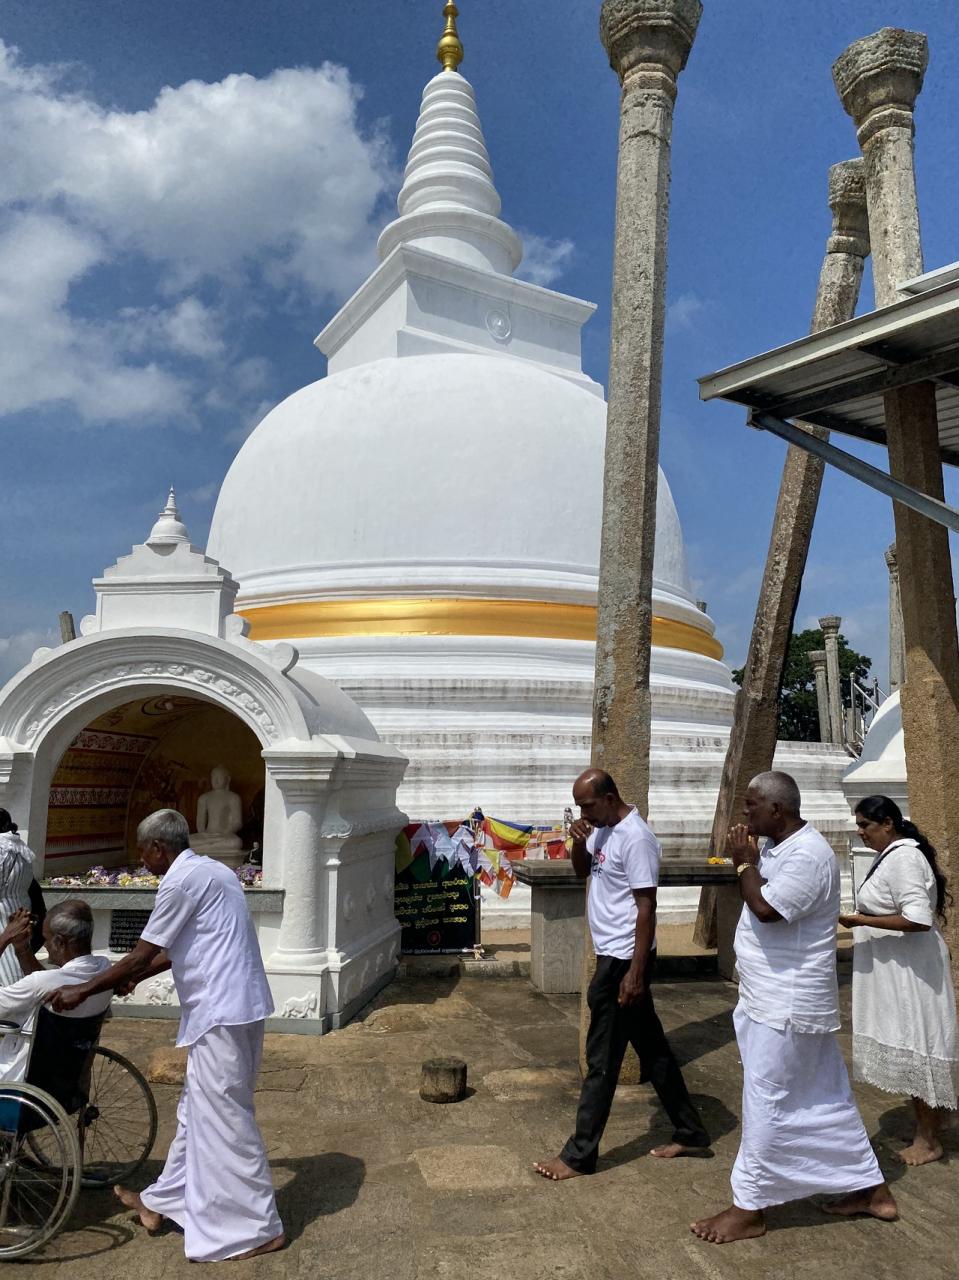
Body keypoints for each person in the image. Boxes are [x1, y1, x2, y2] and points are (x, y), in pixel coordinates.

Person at [48, 809, 283, 1263]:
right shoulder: (214, 871)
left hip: (222, 1010)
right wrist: (132, 978)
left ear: (159, 847)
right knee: (198, 1110)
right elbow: (179, 949)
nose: (142, 861)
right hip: (236, 1006)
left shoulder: (180, 881)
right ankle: (162, 1201)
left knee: (225, 1116)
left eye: (144, 852)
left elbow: (142, 953)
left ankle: (257, 1228)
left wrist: (84, 989)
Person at [692, 771, 897, 1245]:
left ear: (777, 809)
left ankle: (749, 1207)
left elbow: (767, 910)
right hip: (770, 998)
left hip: (787, 1005)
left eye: (751, 805)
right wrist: (752, 861)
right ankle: (871, 1189)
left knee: (767, 1101)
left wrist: (744, 864)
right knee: (823, 1097)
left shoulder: (809, 855)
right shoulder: (778, 848)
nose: (745, 813)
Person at [533, 769, 710, 1181]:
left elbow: (647, 906)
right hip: (611, 955)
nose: (583, 813)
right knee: (653, 1049)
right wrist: (578, 842)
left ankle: (580, 1154)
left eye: (587, 805)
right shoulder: (601, 830)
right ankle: (690, 1129)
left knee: (601, 1059)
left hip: (623, 961)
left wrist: (635, 972)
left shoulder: (636, 838)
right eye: (579, 807)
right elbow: (583, 872)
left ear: (610, 798)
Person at [840, 794, 958, 1165]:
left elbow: (918, 919)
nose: (860, 832)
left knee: (918, 1047)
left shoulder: (904, 857)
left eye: (865, 825)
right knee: (910, 1047)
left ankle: (929, 1140)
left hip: (912, 974)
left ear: (888, 823)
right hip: (900, 970)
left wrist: (861, 920)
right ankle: (930, 1126)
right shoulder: (891, 856)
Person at [0, 900, 113, 1082]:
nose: (44, 945)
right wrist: (23, 949)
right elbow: (49, 981)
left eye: (46, 938)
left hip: (18, 1077)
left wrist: (5, 937)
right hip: (66, 1077)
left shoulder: (41, 983)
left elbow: (42, 983)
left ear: (60, 942)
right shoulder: (104, 970)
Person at [0, 810, 40, 986]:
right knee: (17, 953)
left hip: (3, 910)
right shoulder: (20, 847)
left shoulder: (2, 848)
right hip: (19, 907)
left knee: (5, 958)